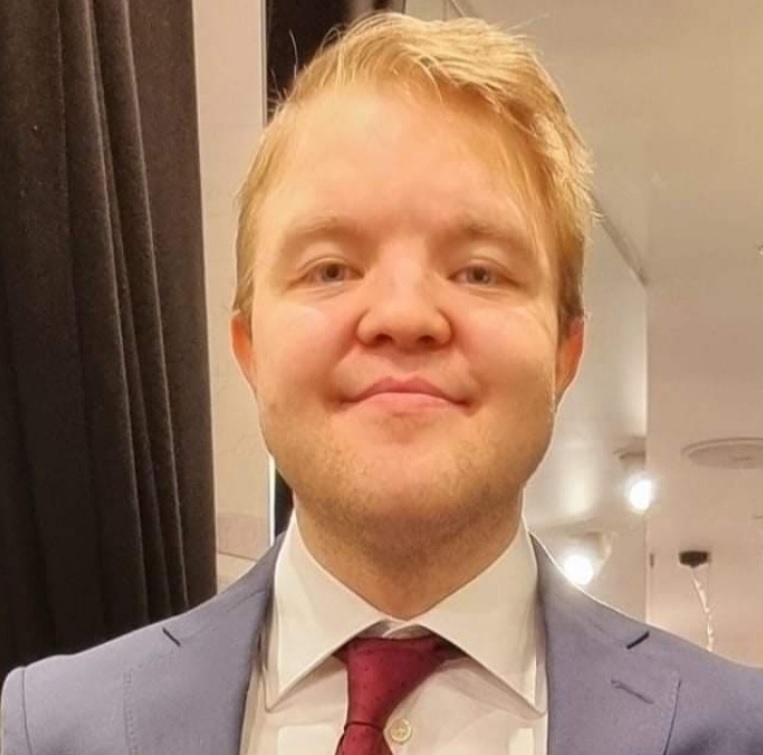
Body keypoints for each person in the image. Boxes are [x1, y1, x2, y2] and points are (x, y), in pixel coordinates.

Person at [2, 12, 762, 755]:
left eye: (479, 272)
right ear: (250, 345)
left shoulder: (739, 730)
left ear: (565, 352)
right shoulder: (48, 731)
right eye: (330, 268)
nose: (403, 316)